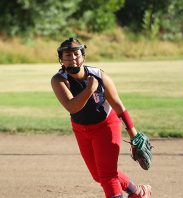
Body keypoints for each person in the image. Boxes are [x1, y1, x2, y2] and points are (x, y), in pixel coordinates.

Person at [51, 38, 152, 198]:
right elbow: (72, 107)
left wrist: (134, 135)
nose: (72, 59)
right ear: (61, 59)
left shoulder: (99, 76)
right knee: (99, 175)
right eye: (68, 55)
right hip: (81, 130)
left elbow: (119, 106)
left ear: (83, 56)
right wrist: (90, 89)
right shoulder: (59, 80)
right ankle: (138, 192)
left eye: (76, 54)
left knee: (107, 175)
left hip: (105, 126)